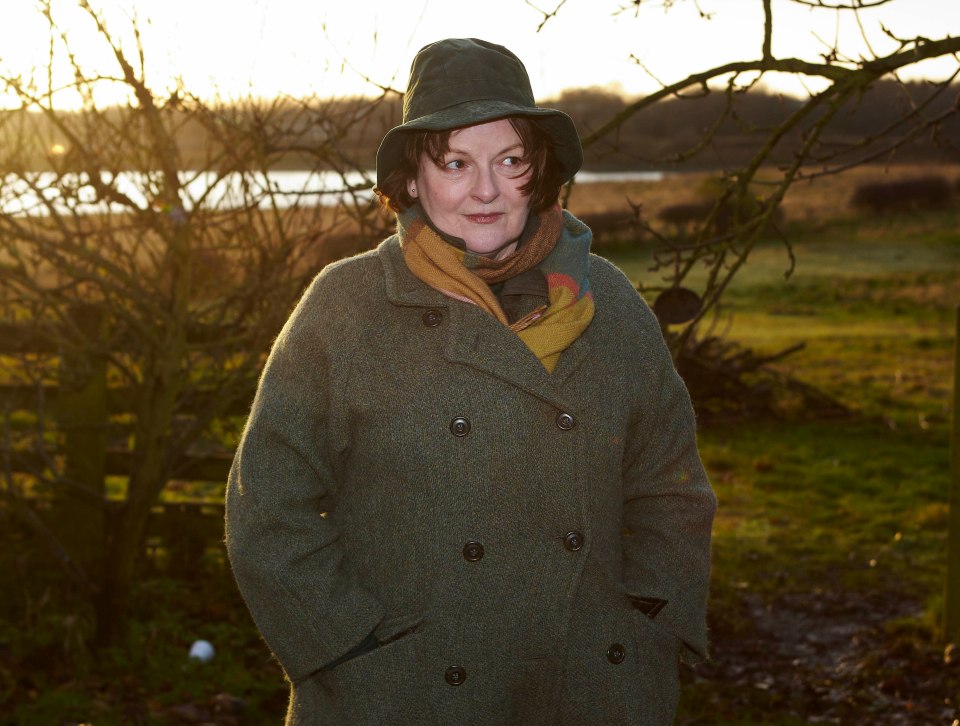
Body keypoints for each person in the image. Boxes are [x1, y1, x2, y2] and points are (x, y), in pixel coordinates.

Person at [225, 37, 716, 725]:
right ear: (411, 182)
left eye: (509, 161)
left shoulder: (606, 300)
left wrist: (651, 619)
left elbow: (672, 485)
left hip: (592, 688)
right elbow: (268, 510)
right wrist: (347, 650)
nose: (486, 190)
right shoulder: (345, 308)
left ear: (539, 173)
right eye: (455, 163)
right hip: (405, 694)